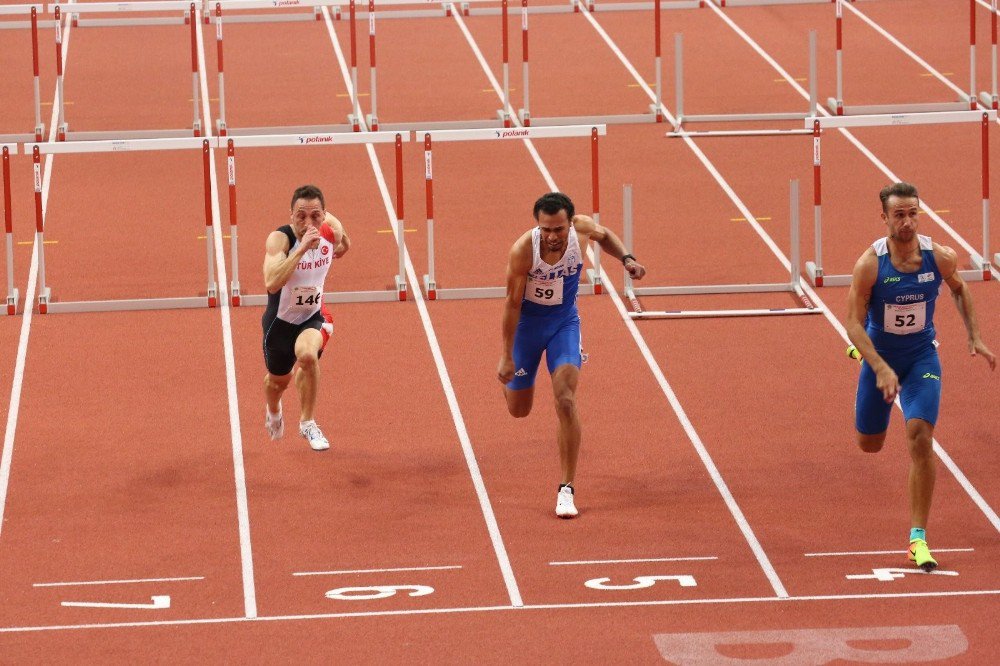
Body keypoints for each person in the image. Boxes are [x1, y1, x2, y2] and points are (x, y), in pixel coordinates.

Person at [846, 182, 995, 570]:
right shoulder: (869, 265)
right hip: (880, 357)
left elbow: (960, 290)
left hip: (921, 358)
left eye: (913, 213)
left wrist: (974, 335)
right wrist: (877, 366)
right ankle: (862, 364)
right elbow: (853, 324)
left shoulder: (939, 257)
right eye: (899, 215)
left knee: (920, 436)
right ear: (884, 218)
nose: (908, 222)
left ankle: (917, 538)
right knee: (869, 444)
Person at [497, 192, 646, 518]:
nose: (552, 236)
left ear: (570, 223)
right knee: (519, 410)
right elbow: (510, 305)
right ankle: (518, 376)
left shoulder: (582, 230)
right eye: (546, 229)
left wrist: (627, 259)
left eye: (559, 229)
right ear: (538, 225)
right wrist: (506, 356)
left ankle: (566, 488)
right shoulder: (524, 250)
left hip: (564, 323)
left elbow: (605, 236)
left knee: (565, 399)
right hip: (528, 327)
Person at [262, 184, 350, 451]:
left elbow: (345, 243)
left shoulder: (328, 230)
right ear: (291, 215)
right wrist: (301, 250)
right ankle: (274, 410)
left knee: (308, 355)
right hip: (279, 325)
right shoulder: (281, 239)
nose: (307, 222)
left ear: (324, 215)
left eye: (315, 216)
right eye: (301, 216)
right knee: (277, 383)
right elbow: (272, 282)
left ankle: (307, 423)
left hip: (312, 316)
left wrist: (338, 237)